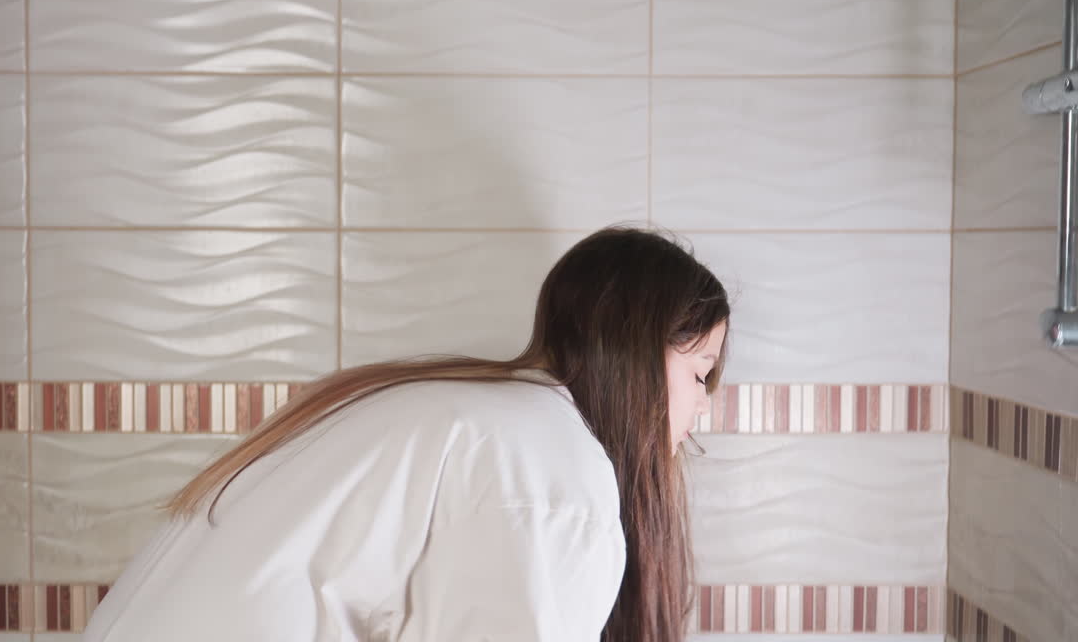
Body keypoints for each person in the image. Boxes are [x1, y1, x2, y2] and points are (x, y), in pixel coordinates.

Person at [82, 226, 730, 642]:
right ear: (639, 351)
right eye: (701, 372)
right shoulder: (555, 476)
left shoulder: (480, 420)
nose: (703, 407)